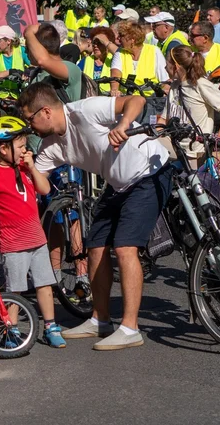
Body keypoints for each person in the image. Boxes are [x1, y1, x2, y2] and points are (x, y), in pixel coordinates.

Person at [20, 81, 173, 350]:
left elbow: (135, 100)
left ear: (45, 111)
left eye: (30, 119)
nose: (29, 126)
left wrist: (123, 124)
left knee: (125, 247)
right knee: (95, 245)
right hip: (117, 185)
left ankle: (130, 328)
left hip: (149, 173)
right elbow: (35, 184)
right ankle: (100, 319)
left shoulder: (85, 111)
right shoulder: (51, 146)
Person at [0, 116, 65, 349]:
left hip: (37, 239)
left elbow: (45, 189)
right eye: (20, 146)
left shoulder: (25, 168)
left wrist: (31, 166)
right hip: (14, 243)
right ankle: (10, 328)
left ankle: (51, 326)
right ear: (3, 148)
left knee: (44, 284)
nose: (25, 150)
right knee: (15, 290)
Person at [162, 46, 220, 169]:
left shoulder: (200, 84)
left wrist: (219, 136)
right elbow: (164, 118)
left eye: (167, 64)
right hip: (176, 146)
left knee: (196, 185)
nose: (164, 68)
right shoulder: (174, 86)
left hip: (196, 151)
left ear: (176, 66)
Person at [106, 21, 168, 98]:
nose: (118, 38)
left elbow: (164, 80)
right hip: (126, 98)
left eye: (121, 35)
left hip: (150, 99)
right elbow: (115, 74)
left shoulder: (154, 51)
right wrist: (114, 89)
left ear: (132, 39)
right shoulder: (120, 52)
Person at [0, 25, 28, 89]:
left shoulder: (21, 50)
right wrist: (10, 72)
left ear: (8, 41)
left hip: (19, 95)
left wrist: (27, 72)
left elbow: (34, 66)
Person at [81, 26, 115, 94]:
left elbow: (121, 55)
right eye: (94, 42)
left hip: (108, 100)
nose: (95, 45)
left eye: (99, 42)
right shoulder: (86, 60)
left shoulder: (114, 60)